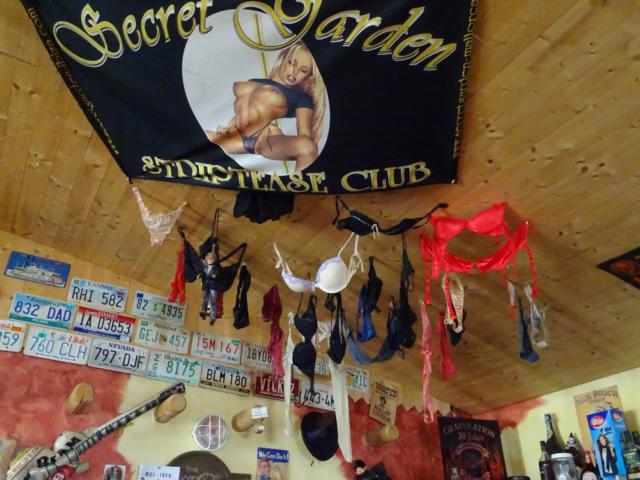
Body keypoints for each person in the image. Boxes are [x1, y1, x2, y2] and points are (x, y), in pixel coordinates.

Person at [207, 42, 326, 172]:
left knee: (307, 147)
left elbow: (305, 135)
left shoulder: (301, 97)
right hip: (232, 136)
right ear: (283, 59)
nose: (295, 72)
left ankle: (300, 182)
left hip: (263, 141)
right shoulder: (257, 82)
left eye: (303, 70)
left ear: (309, 76)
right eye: (292, 63)